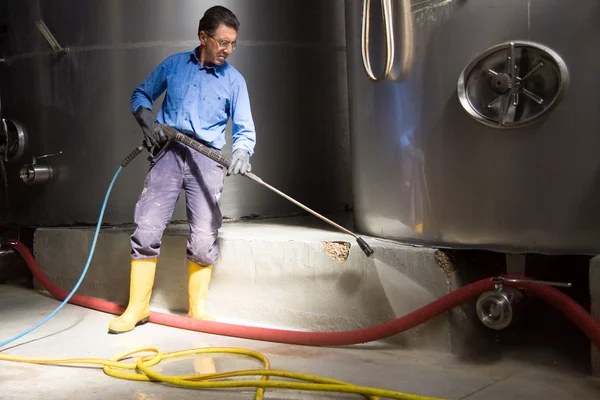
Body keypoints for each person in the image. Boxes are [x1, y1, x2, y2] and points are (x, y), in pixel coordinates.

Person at [108, 5, 256, 334]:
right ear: (203, 37)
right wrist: (147, 120)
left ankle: (198, 310)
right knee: (146, 229)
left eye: (233, 44)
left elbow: (244, 129)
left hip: (207, 159)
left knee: (204, 238)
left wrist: (243, 152)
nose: (228, 50)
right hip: (167, 154)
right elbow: (141, 94)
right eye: (222, 42)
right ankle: (137, 308)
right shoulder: (174, 66)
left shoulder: (234, 81)